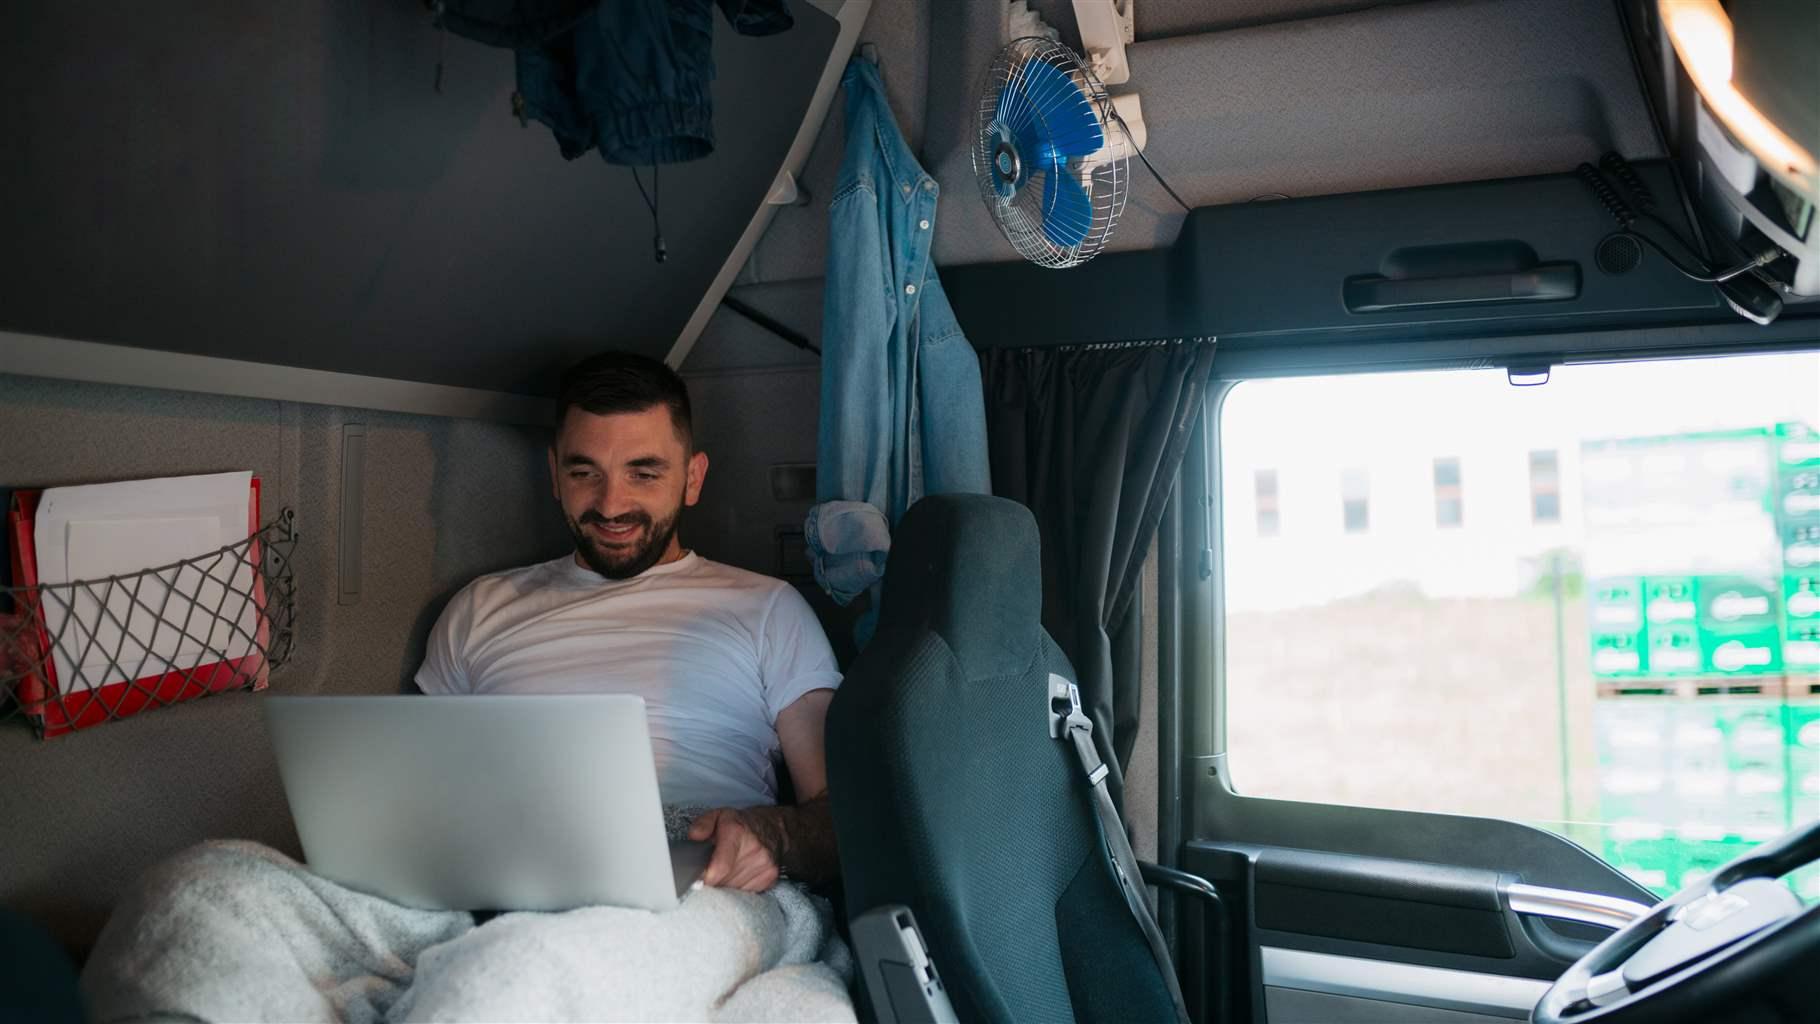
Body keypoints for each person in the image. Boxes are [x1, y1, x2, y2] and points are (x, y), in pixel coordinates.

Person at [415, 350, 843, 892]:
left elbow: (841, 821)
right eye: (585, 472)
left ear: (692, 478)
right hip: (514, 867)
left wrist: (770, 836)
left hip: (693, 869)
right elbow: (425, 800)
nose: (611, 504)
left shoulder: (768, 610)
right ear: (555, 475)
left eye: (643, 473)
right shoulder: (478, 609)